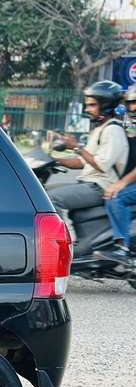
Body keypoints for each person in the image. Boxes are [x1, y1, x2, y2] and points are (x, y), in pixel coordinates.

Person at [48, 81, 129, 237]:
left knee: (51, 199)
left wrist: (77, 147)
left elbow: (101, 164)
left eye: (92, 105)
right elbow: (83, 162)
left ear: (105, 105)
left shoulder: (113, 131)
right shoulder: (100, 129)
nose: (87, 109)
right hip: (89, 183)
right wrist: (53, 160)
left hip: (101, 187)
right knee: (44, 192)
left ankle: (68, 242)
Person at [93, 84, 136, 266]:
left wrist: (120, 184)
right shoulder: (128, 125)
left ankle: (122, 249)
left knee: (116, 198)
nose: (133, 107)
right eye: (130, 103)